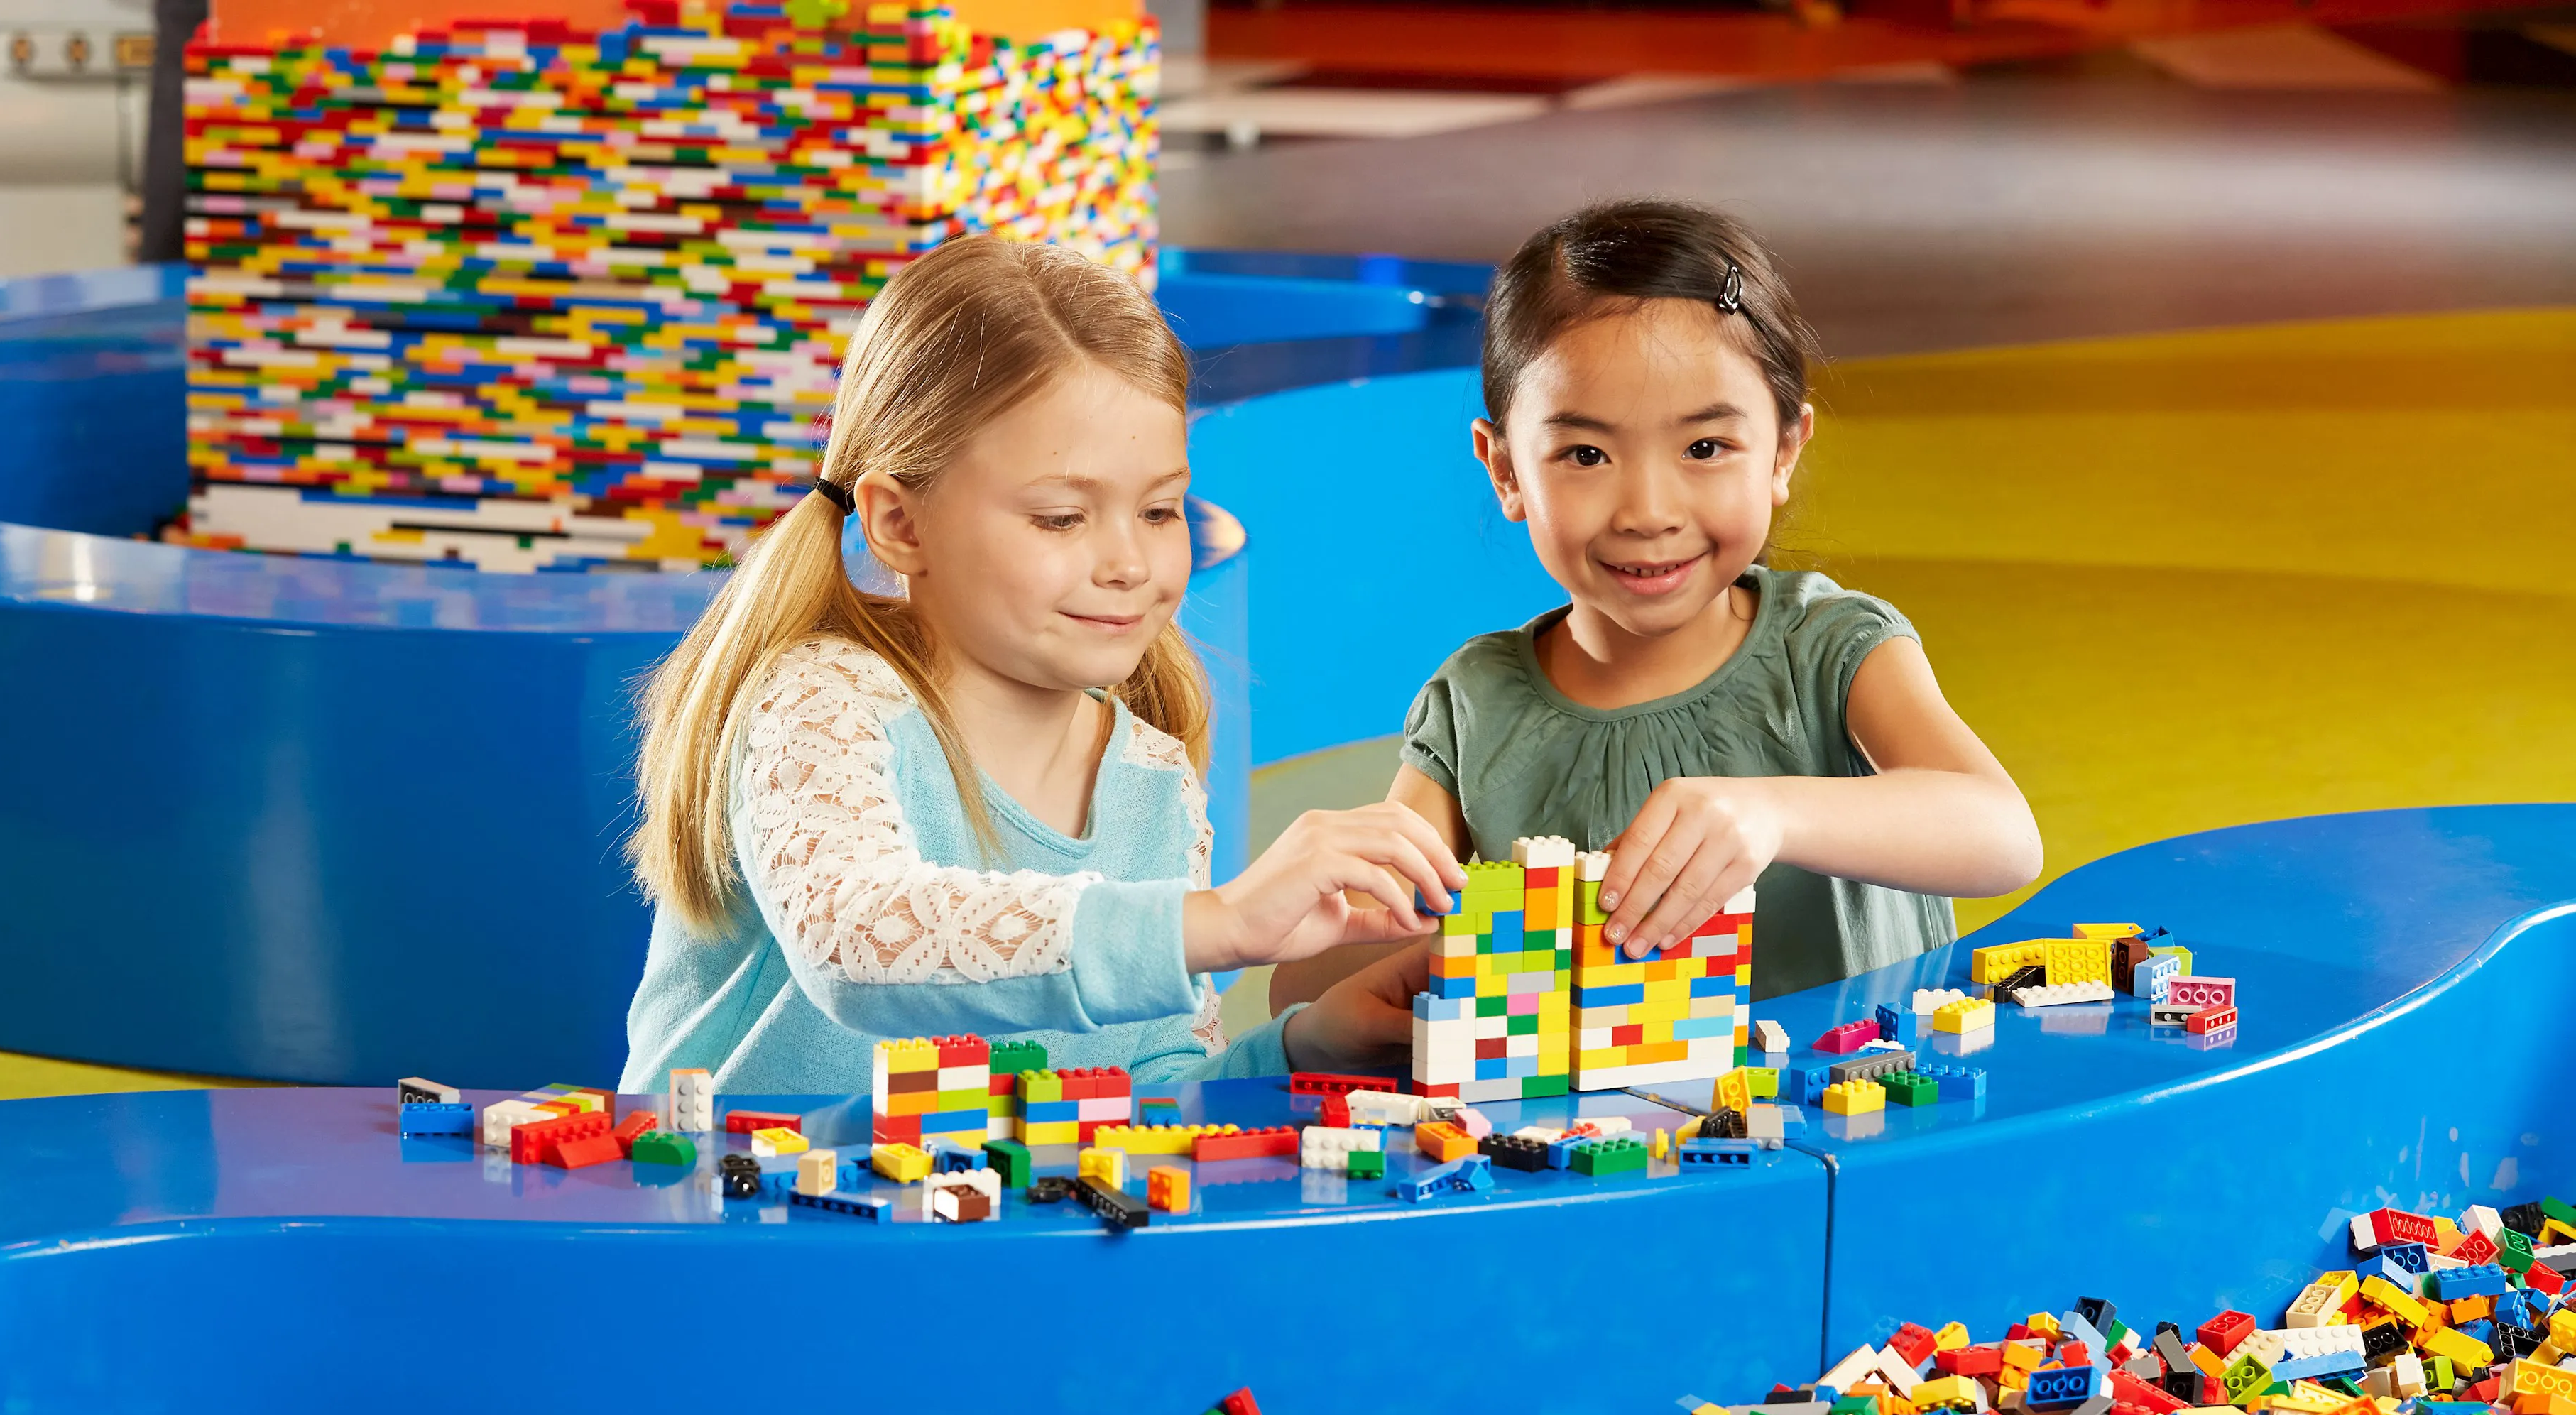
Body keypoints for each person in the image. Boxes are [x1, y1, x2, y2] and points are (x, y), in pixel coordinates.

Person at [623, 234, 1461, 1093]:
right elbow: (860, 942)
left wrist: (1302, 1047)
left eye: (1161, 509)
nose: (1129, 563)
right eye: (1062, 517)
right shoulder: (820, 700)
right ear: (899, 524)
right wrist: (1216, 922)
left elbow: (1150, 1089)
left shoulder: (1153, 777)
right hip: (736, 1216)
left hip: (975, 1225)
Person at [1275, 199, 2040, 1017]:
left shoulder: (1832, 646)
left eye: (1704, 448)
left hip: (1868, 1119)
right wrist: (1411, 927)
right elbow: (1309, 983)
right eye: (1586, 453)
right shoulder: (1476, 705)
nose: (1648, 509)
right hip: (1595, 1136)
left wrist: (1773, 812)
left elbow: (2000, 836)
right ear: (1504, 471)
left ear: (1784, 450)